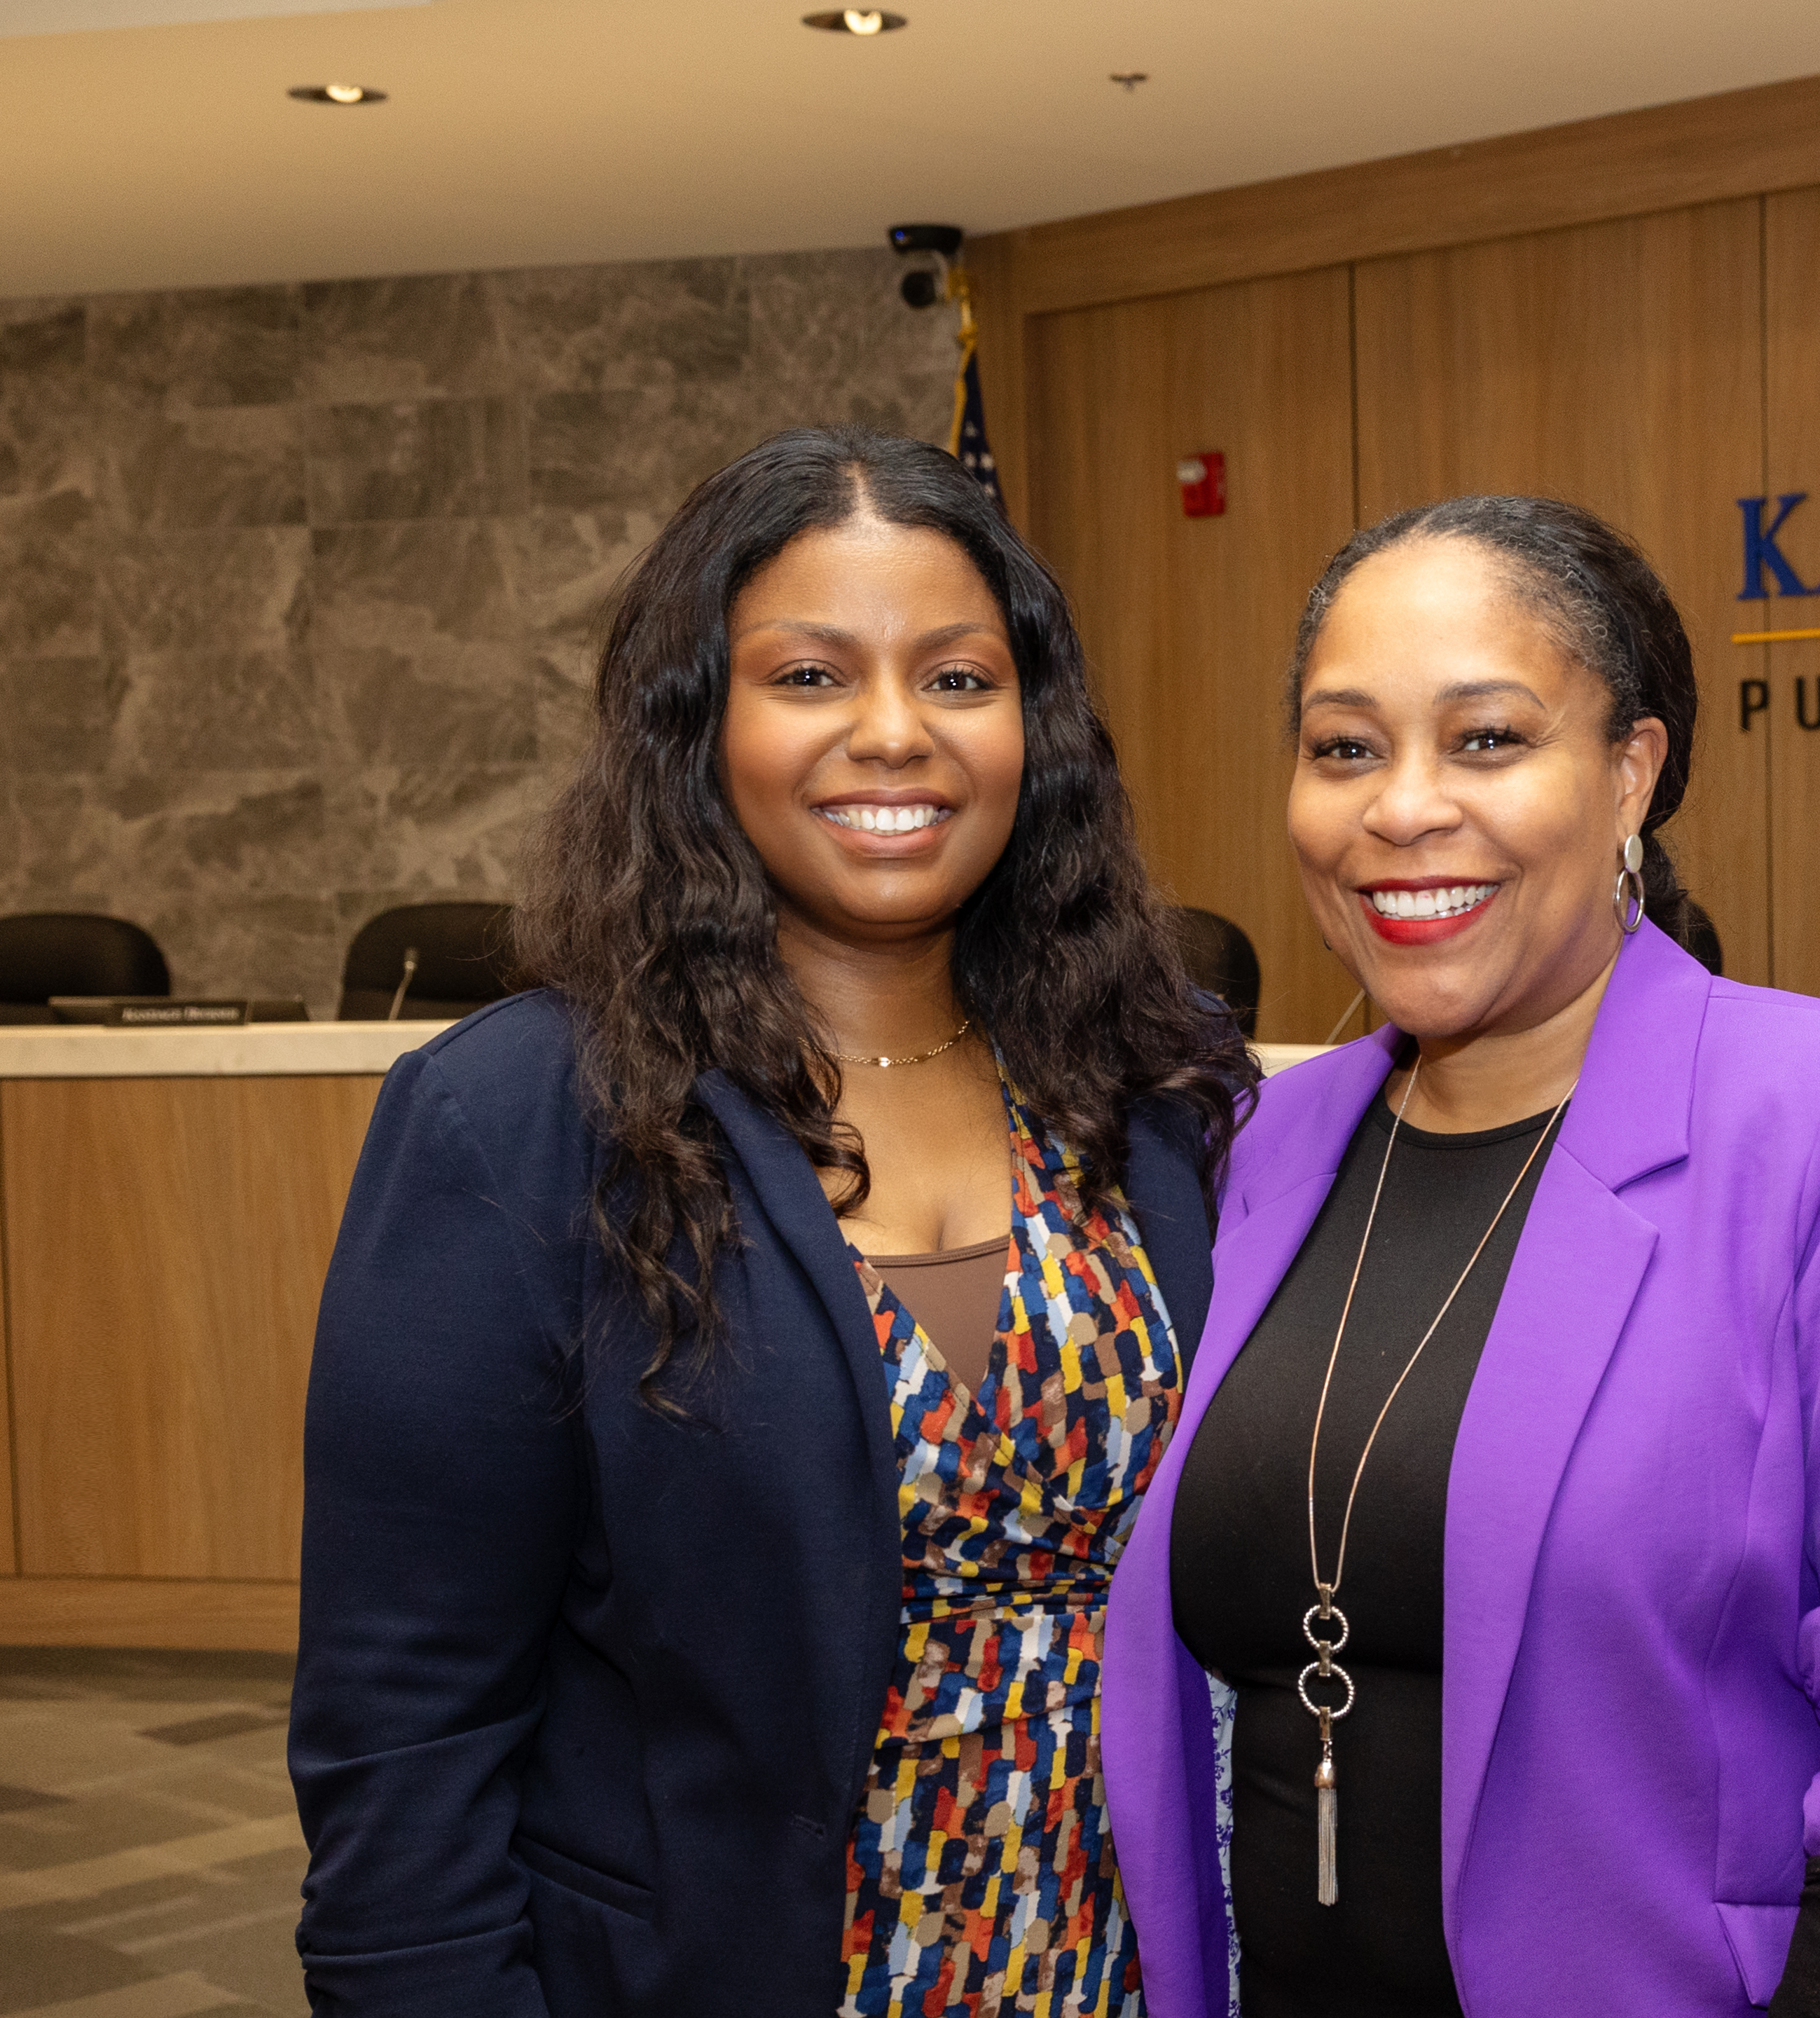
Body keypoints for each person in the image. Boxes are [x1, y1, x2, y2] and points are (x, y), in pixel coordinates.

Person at [289, 427, 1253, 2018]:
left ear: (1038, 729)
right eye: (809, 677)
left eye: (958, 679)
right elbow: (405, 1720)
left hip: (1133, 1961)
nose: (895, 736)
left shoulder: (1158, 1084)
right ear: (696, 729)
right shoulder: (518, 1122)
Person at [1099, 496, 1820, 2017]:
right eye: (1345, 747)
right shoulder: (1271, 1149)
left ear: (1633, 773)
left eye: (1487, 740)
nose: (1403, 809)